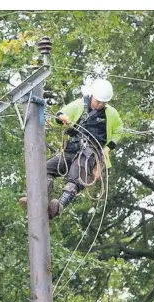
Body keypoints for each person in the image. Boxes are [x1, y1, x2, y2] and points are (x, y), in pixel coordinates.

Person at [18, 79, 124, 220]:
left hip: (90, 153)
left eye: (103, 103)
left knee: (76, 176)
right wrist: (62, 118)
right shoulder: (79, 105)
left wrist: (107, 149)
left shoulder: (111, 114)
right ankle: (38, 200)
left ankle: (58, 206)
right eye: (98, 101)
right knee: (46, 168)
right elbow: (60, 115)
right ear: (92, 95)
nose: (99, 105)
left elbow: (118, 131)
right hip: (71, 149)